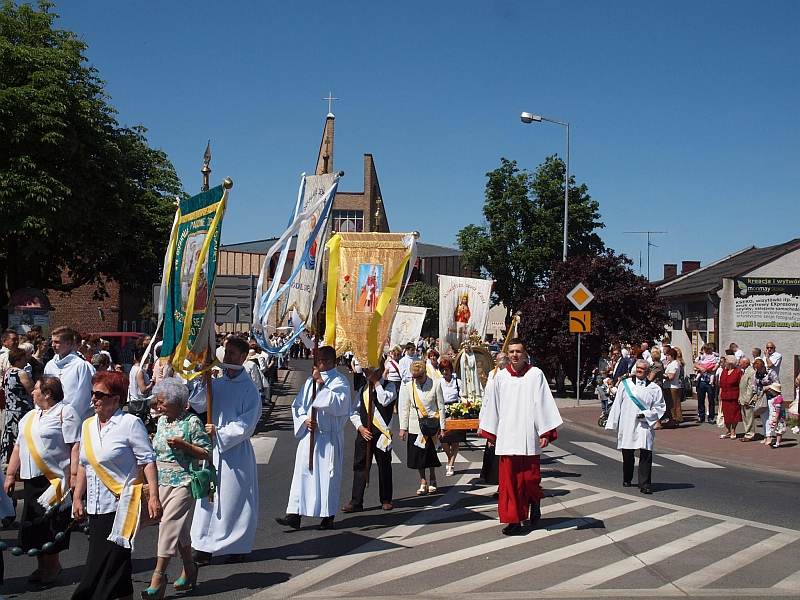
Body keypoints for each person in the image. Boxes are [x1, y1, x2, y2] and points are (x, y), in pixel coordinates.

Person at [72, 370, 161, 600]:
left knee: (106, 562)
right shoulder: (88, 425)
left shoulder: (130, 423)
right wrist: (77, 497)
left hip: (123, 504)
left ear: (116, 398)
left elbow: (147, 461)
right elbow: (84, 465)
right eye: (93, 394)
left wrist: (153, 496)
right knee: (116, 563)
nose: (94, 399)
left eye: (100, 395)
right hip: (95, 504)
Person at [478, 339, 562, 535]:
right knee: (509, 483)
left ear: (524, 354)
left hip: (528, 437)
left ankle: (535, 503)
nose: (515, 355)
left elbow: (543, 403)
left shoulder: (535, 375)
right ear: (507, 354)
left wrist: (545, 432)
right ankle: (514, 520)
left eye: (518, 352)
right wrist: (491, 433)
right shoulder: (500, 378)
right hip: (507, 437)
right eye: (511, 352)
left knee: (530, 479)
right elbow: (494, 406)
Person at [3, 376, 80, 585]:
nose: (32, 392)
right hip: (31, 479)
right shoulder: (29, 416)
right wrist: (10, 474)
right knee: (34, 525)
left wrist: (73, 475)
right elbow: (18, 447)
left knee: (51, 525)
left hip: (53, 480)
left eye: (36, 389)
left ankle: (53, 567)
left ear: (47, 393)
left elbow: (74, 444)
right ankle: (41, 566)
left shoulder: (66, 412)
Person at [191, 336, 261, 564]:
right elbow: (199, 403)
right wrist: (203, 381)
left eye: (232, 353)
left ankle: (236, 544)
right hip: (213, 451)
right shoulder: (217, 382)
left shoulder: (249, 390)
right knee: (208, 497)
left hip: (234, 452)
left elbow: (247, 424)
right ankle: (203, 545)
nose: (228, 357)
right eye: (226, 352)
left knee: (233, 500)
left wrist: (219, 432)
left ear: (243, 357)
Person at [143, 378, 212, 597]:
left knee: (168, 524)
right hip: (162, 481)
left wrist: (184, 445)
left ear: (176, 402)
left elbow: (206, 452)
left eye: (162, 402)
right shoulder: (162, 422)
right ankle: (190, 568)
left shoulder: (191, 422)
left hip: (184, 481)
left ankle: (158, 576)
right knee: (179, 529)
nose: (158, 405)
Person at [278, 346, 351, 530]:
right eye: (319, 360)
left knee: (327, 478)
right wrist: (304, 420)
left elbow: (339, 405)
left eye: (326, 360)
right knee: (302, 475)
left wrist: (322, 384)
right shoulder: (309, 382)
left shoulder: (340, 382)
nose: (322, 363)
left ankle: (328, 515)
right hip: (310, 436)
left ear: (334, 361)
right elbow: (298, 405)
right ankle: (294, 514)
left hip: (328, 438)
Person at [342, 364, 398, 513]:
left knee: (384, 466)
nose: (366, 373)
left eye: (370, 371)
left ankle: (386, 499)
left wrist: (377, 383)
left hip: (381, 433)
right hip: (364, 432)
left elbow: (385, 400)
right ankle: (356, 501)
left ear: (379, 371)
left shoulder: (390, 386)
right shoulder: (363, 389)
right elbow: (353, 411)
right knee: (359, 465)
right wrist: (360, 427)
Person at [605, 359, 666, 495]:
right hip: (627, 423)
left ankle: (645, 484)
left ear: (648, 371)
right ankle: (627, 476)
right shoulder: (625, 385)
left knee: (646, 452)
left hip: (645, 425)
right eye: (637, 368)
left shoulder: (654, 388)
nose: (639, 370)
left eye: (642, 369)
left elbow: (660, 407)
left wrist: (647, 415)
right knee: (627, 452)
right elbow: (617, 405)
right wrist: (613, 423)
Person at [399, 360, 445, 496]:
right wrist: (403, 428)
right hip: (415, 426)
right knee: (418, 456)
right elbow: (404, 408)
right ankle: (423, 481)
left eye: (419, 377)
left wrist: (442, 427)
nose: (417, 380)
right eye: (415, 377)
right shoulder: (408, 386)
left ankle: (432, 478)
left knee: (430, 454)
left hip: (430, 426)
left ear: (425, 373)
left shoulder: (435, 384)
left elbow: (441, 407)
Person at [44, 326, 96, 421]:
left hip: (71, 416)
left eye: (57, 342)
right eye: (52, 341)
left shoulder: (80, 365)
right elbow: (44, 389)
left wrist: (69, 415)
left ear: (68, 343)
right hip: (51, 415)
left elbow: (83, 394)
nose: (52, 345)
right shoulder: (50, 365)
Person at [1, 348, 34, 467]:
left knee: (10, 437)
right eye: (24, 358)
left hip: (10, 410)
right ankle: (21, 464)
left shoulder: (7, 372)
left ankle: (9, 463)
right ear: (18, 359)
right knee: (21, 438)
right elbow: (32, 390)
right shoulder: (21, 373)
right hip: (22, 411)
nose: (26, 360)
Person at [479, 352, 508, 487]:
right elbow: (487, 397)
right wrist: (482, 420)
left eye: (502, 359)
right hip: (492, 415)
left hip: (505, 417)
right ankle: (489, 476)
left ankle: (502, 482)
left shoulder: (509, 376)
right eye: (497, 360)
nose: (499, 362)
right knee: (491, 450)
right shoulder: (492, 374)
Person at [438, 358, 465, 477]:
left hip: (456, 410)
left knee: (455, 439)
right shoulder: (438, 382)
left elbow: (462, 395)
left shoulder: (457, 381)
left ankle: (451, 464)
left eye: (447, 370)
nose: (445, 372)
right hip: (443, 410)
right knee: (443, 439)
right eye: (443, 370)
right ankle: (449, 458)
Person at [717, 355, 743, 440]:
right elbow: (721, 384)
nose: (724, 364)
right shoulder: (724, 371)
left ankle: (733, 430)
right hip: (724, 396)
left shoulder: (738, 372)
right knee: (726, 414)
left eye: (725, 362)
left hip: (734, 396)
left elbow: (741, 385)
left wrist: (740, 396)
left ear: (730, 363)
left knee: (734, 415)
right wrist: (719, 395)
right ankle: (728, 430)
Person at [128, 346, 154, 415]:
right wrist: (152, 383)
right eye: (147, 355)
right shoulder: (139, 371)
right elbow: (143, 390)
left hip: (134, 401)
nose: (149, 357)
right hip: (139, 404)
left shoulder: (133, 368)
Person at [737, 357, 758, 442]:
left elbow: (751, 387)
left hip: (748, 399)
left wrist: (747, 399)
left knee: (749, 418)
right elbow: (742, 386)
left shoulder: (751, 372)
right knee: (745, 417)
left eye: (740, 362)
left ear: (746, 363)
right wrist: (740, 397)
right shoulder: (745, 371)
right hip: (743, 398)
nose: (739, 364)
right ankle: (747, 433)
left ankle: (750, 434)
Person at [662, 348, 682, 427]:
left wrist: (662, 375)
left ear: (672, 356)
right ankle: (672, 420)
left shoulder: (674, 364)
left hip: (672, 387)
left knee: (673, 405)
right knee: (670, 405)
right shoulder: (670, 363)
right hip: (668, 386)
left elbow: (671, 377)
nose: (666, 357)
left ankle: (674, 420)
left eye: (668, 355)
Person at [763, 383, 785, 448]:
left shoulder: (778, 399)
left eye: (771, 390)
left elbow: (778, 410)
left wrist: (775, 417)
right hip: (778, 416)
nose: (770, 391)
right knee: (777, 430)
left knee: (779, 431)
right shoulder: (778, 397)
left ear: (775, 391)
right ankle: (777, 442)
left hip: (779, 417)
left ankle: (777, 443)